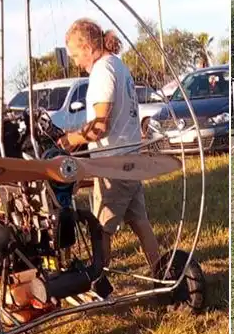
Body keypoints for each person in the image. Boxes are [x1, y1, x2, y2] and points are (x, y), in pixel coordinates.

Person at [56, 18, 162, 279]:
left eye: (75, 54)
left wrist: (69, 141)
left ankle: (99, 281)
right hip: (131, 157)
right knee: (139, 221)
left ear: (87, 46)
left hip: (114, 163)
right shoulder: (118, 64)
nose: (76, 61)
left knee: (101, 228)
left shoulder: (102, 71)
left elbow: (100, 125)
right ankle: (162, 270)